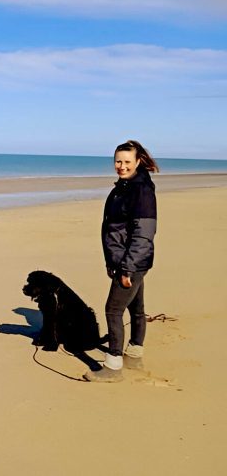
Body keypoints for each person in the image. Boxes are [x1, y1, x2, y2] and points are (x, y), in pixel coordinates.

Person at [85, 140, 159, 383]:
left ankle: (113, 367)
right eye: (118, 161)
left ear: (138, 162)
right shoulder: (125, 186)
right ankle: (134, 357)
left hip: (132, 262)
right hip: (129, 261)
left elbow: (143, 235)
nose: (121, 166)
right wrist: (114, 262)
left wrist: (126, 268)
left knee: (113, 310)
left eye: (127, 161)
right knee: (136, 309)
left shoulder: (141, 191)